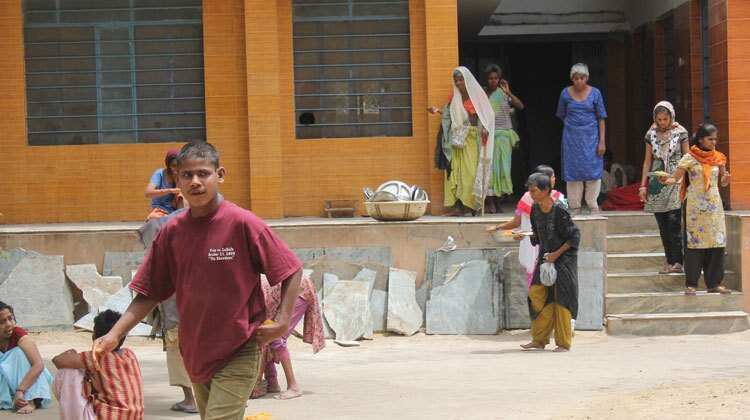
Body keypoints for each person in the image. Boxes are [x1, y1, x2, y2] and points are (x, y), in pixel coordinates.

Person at [93, 141, 304, 420]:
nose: (195, 181)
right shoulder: (171, 232)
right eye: (187, 175)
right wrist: (114, 334)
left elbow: (291, 269)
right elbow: (149, 292)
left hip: (240, 347)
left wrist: (282, 321)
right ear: (177, 179)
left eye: (203, 173)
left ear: (220, 175)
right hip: (195, 351)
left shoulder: (242, 223)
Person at [660, 123, 731, 295]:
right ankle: (691, 283)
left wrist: (725, 180)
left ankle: (714, 283)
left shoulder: (719, 158)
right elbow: (676, 178)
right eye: (710, 139)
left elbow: (722, 182)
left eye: (715, 139)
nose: (714, 142)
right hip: (695, 207)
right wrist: (665, 180)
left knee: (716, 242)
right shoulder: (690, 158)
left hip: (714, 205)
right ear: (700, 140)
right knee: (694, 243)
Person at [137, 209, 197, 414]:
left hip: (177, 312)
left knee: (179, 352)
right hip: (204, 311)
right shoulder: (199, 228)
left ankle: (191, 399)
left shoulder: (163, 229)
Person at [516, 173, 580, 352]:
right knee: (536, 295)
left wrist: (556, 255)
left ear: (545, 190)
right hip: (544, 259)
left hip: (564, 261)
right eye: (530, 191)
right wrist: (524, 236)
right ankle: (539, 339)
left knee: (562, 300)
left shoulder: (559, 210)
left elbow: (574, 237)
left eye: (534, 191)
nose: (531, 194)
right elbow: (537, 235)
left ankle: (563, 343)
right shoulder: (535, 209)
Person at [52, 310, 144, 420]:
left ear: (94, 336)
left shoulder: (97, 357)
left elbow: (58, 361)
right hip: (135, 417)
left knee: (68, 370)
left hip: (108, 417)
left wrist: (71, 352)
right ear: (123, 338)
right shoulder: (129, 354)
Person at [486, 165, 566, 288]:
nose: (555, 179)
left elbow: (516, 222)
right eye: (553, 176)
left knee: (534, 281)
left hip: (532, 247)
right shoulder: (558, 198)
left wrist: (497, 227)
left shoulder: (527, 197)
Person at [429, 66, 495, 216]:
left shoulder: (478, 97)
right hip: (456, 140)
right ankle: (458, 208)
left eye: (461, 80)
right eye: (456, 80)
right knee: (455, 174)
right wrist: (438, 111)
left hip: (471, 139)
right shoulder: (454, 98)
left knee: (470, 173)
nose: (458, 83)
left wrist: (485, 127)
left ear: (467, 80)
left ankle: (471, 206)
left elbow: (488, 115)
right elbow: (450, 114)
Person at [251, 274, 325, 400]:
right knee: (265, 335)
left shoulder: (247, 293)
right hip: (291, 287)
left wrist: (255, 383)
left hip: (297, 290)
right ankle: (272, 382)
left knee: (275, 337)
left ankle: (293, 387)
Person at [639, 101, 689, 274]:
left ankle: (678, 262)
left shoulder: (680, 132)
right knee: (662, 224)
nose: (662, 123)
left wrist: (680, 178)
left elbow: (687, 158)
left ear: (671, 117)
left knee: (674, 221)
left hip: (675, 178)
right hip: (657, 182)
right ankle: (669, 261)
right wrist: (643, 186)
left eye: (665, 119)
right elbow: (647, 161)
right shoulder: (650, 134)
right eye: (659, 119)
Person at [556, 62, 607, 214]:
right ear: (572, 78)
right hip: (571, 139)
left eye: (582, 78)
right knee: (573, 171)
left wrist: (602, 141)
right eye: (576, 78)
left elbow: (601, 118)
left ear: (587, 78)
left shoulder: (595, 93)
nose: (579, 81)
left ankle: (593, 205)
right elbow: (561, 114)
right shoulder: (565, 93)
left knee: (593, 170)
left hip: (592, 138)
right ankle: (575, 206)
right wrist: (574, 126)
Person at [484, 64, 524, 212]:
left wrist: (508, 92)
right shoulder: (483, 93)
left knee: (503, 170)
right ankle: (491, 202)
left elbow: (520, 106)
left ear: (499, 79)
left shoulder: (504, 93)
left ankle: (499, 201)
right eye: (490, 78)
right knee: (490, 169)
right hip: (488, 136)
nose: (493, 81)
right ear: (486, 79)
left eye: (496, 78)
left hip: (504, 137)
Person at [0, 302, 53, 414]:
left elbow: (38, 365)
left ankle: (29, 400)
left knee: (18, 353)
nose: (8, 324)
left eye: (10, 318)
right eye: (2, 322)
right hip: (7, 383)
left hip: (28, 382)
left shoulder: (19, 334)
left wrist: (20, 390)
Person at [145, 149, 182, 220]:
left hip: (174, 210)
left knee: (182, 195)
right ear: (168, 165)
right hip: (159, 210)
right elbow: (148, 193)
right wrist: (170, 190)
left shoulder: (181, 175)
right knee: (157, 218)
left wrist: (177, 182)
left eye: (179, 166)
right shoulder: (159, 174)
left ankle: (181, 219)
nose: (176, 169)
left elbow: (176, 202)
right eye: (174, 166)